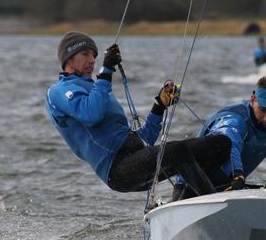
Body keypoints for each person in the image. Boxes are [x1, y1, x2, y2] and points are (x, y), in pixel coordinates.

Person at [45, 31, 230, 195]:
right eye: (85, 54)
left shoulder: (97, 90)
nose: (92, 60)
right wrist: (107, 71)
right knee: (176, 151)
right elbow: (90, 115)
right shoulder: (59, 90)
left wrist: (159, 106)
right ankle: (212, 200)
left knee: (220, 144)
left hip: (136, 159)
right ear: (68, 58)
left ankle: (190, 197)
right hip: (117, 170)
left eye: (94, 55)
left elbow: (143, 140)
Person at [172, 74, 266, 201]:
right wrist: (237, 175)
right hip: (191, 186)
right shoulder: (235, 119)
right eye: (263, 110)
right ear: (253, 100)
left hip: (228, 189)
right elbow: (231, 143)